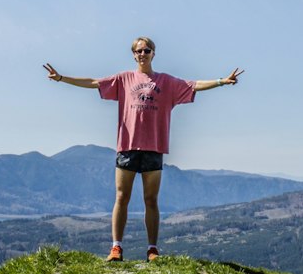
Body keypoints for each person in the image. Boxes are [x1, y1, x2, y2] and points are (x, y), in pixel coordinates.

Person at [43, 37, 243, 261]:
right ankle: (116, 247)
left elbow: (194, 85)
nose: (143, 53)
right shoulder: (124, 79)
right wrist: (61, 78)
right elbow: (94, 82)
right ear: (133, 55)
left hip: (154, 147)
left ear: (153, 53)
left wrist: (222, 81)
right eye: (139, 51)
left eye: (147, 50)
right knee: (122, 196)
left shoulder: (166, 82)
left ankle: (152, 249)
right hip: (127, 146)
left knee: (151, 199)